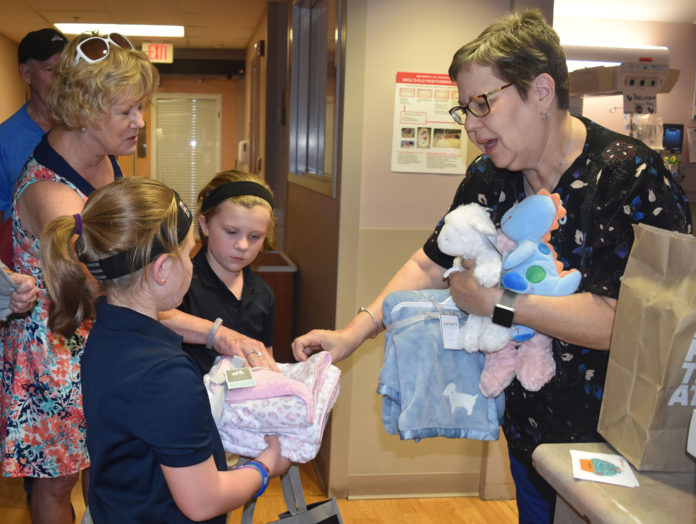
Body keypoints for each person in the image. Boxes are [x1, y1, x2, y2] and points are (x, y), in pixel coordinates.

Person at [291, 9, 692, 524]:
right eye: (465, 109)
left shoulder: (629, 177)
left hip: (615, 447)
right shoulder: (491, 176)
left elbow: (632, 322)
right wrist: (354, 333)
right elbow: (431, 260)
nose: (473, 125)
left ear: (541, 91)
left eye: (483, 103)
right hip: (528, 431)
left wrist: (501, 306)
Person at [40, 176, 290, 523]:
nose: (192, 264)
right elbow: (203, 501)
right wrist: (266, 466)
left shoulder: (107, 332)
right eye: (188, 254)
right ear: (163, 269)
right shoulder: (166, 374)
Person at [0, 32, 158, 524]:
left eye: (141, 108)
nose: (140, 122)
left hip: (101, 335)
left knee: (108, 465)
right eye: (127, 111)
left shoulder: (106, 160)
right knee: (58, 480)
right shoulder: (50, 192)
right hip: (55, 346)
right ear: (86, 110)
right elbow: (107, 282)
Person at [175, 170, 277, 376]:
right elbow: (154, 319)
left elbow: (266, 361)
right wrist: (215, 333)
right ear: (205, 225)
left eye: (255, 236)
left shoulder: (263, 295)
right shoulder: (179, 285)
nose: (242, 245)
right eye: (231, 232)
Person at [0, 28, 67, 221]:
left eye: (65, 70)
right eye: (51, 70)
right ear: (26, 74)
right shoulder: (5, 139)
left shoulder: (86, 130)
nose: (61, 80)